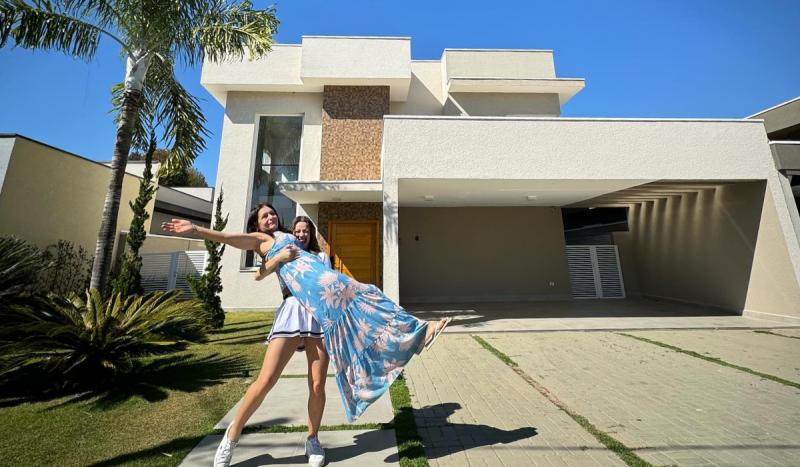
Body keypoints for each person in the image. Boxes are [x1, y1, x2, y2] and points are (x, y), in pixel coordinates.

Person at [162, 204, 450, 467]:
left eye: (272, 213)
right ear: (257, 224)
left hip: (321, 309)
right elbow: (232, 242)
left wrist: (288, 255)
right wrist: (198, 230)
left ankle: (313, 439)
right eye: (264, 216)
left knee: (319, 379)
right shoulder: (264, 241)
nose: (271, 217)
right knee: (266, 381)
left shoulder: (299, 243)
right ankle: (231, 436)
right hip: (292, 310)